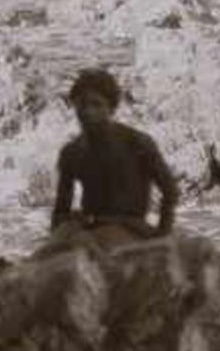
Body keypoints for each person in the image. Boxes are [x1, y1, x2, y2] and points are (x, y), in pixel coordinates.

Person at [49, 66, 179, 246]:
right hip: (91, 227)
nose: (88, 112)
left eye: (96, 104)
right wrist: (64, 228)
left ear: (112, 108)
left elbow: (170, 190)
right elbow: (60, 211)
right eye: (82, 104)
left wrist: (162, 235)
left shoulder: (136, 143)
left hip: (131, 228)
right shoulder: (72, 152)